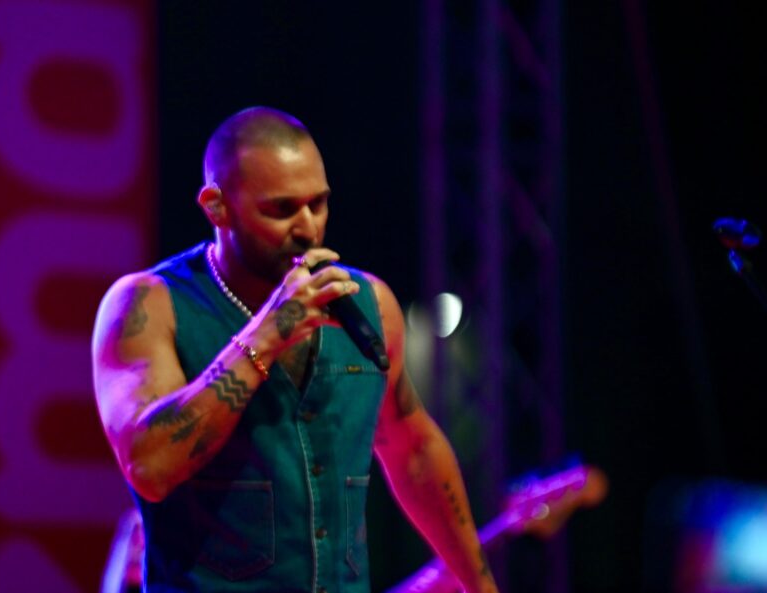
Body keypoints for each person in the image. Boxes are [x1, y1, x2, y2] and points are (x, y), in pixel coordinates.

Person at [92, 106, 499, 593]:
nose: (307, 228)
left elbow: (413, 449)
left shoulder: (369, 303)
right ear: (217, 207)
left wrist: (480, 585)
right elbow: (150, 467)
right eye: (281, 209)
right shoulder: (148, 305)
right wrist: (265, 336)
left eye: (318, 204)